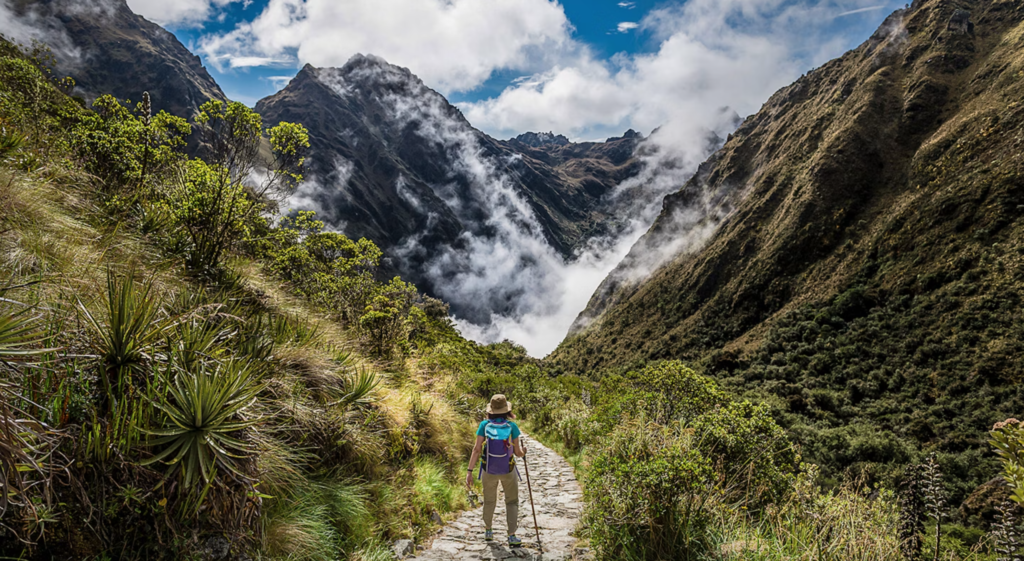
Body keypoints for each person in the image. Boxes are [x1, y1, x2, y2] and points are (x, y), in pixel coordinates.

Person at [466, 394, 526, 546]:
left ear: (491, 410)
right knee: (511, 501)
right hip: (508, 469)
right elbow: (518, 453)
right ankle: (511, 535)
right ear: (507, 410)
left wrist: (469, 471)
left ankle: (488, 531)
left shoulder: (484, 425)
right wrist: (524, 451)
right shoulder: (512, 426)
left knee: (489, 500)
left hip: (489, 469)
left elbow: (476, 449)